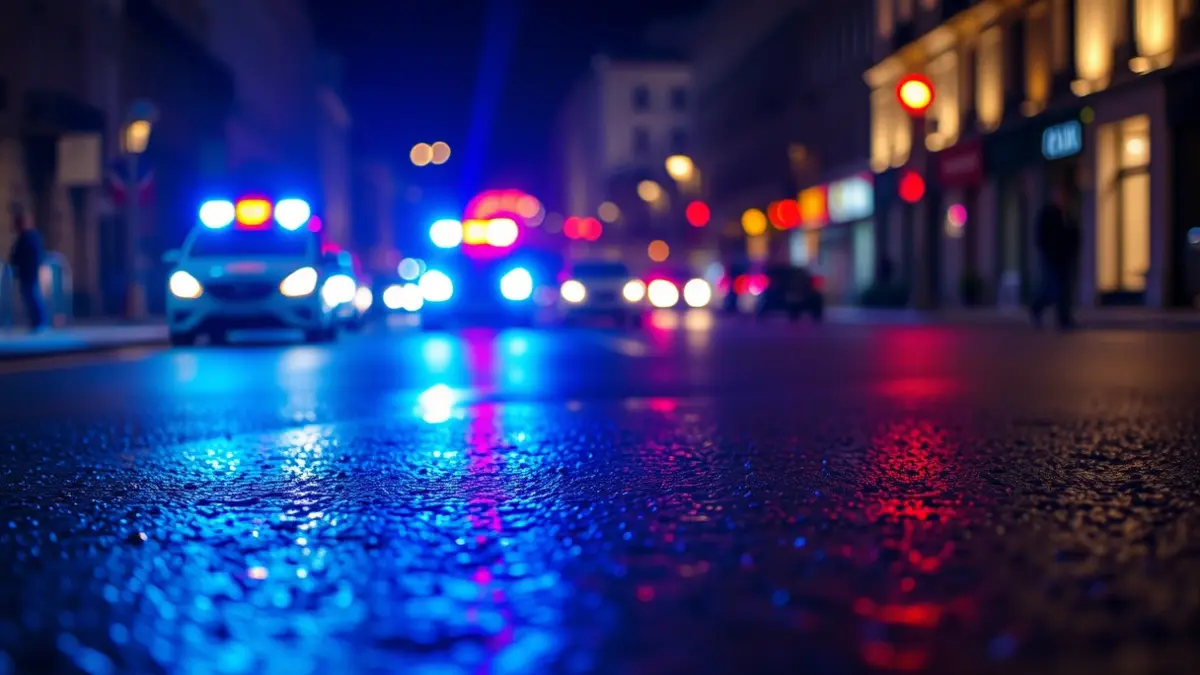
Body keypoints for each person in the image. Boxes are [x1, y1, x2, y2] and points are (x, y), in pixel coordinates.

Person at [1030, 184, 1080, 330]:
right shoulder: (1047, 214)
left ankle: (1064, 318)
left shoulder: (1069, 215)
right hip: (1051, 257)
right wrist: (1046, 250)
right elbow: (1041, 235)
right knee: (1052, 287)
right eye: (1059, 195)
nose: (1062, 199)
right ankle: (1037, 307)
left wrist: (1074, 251)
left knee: (1065, 288)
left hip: (1065, 257)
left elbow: (1074, 234)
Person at [8, 203, 49, 332]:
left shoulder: (29, 237)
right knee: (30, 296)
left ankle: (40, 323)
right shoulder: (28, 237)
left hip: (29, 273)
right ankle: (37, 323)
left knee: (32, 296)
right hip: (26, 272)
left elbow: (28, 255)